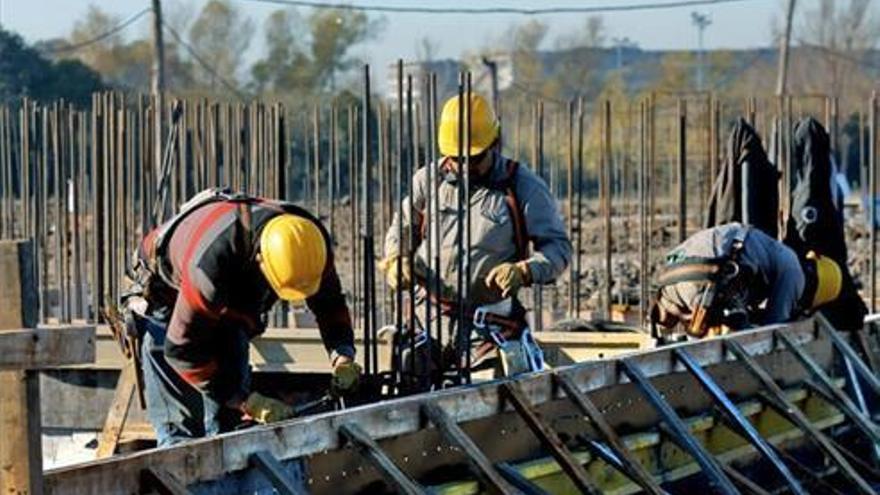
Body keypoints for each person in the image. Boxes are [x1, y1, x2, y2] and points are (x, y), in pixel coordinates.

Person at [128, 189, 360, 446]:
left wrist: (342, 356)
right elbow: (181, 349)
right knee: (182, 437)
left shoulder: (309, 244)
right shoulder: (208, 269)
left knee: (230, 428)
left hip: (229, 284)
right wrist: (247, 402)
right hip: (166, 292)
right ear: (261, 261)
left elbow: (330, 305)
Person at [381, 93, 571, 385]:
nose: (464, 166)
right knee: (408, 384)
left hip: (487, 325)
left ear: (495, 143)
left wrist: (525, 270)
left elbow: (558, 249)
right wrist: (395, 260)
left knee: (489, 398)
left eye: (474, 158)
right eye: (457, 159)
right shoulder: (427, 181)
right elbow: (401, 230)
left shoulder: (522, 186)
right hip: (427, 320)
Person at [650, 222, 845, 339]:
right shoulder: (794, 272)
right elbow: (774, 329)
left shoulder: (774, 251)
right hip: (708, 281)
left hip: (668, 279)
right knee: (744, 337)